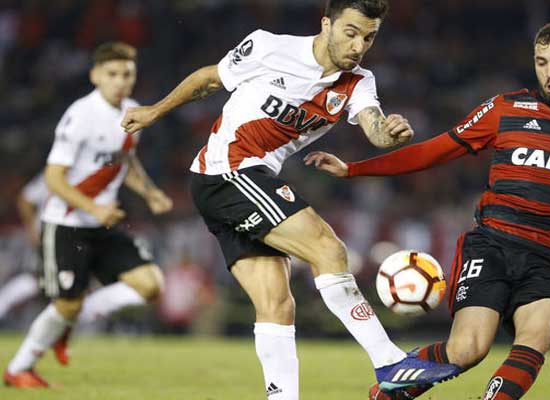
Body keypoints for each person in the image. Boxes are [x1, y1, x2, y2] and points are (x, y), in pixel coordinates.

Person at [121, 1, 461, 398]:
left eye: (368, 38)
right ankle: (388, 361)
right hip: (227, 170)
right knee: (327, 249)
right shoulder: (268, 47)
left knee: (277, 304)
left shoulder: (357, 82)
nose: (358, 46)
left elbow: (375, 128)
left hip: (240, 181)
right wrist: (153, 112)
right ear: (326, 24)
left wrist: (392, 133)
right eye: (350, 32)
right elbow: (209, 80)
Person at [305, 20, 550, 400]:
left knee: (537, 337)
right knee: (468, 350)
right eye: (541, 62)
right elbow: (435, 150)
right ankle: (389, 392)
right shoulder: (506, 109)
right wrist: (355, 169)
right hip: (493, 246)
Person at [4, 41, 173, 388]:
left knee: (151, 283)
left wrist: (150, 191)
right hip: (66, 224)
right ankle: (19, 368)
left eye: (127, 74)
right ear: (95, 75)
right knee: (66, 304)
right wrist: (94, 206)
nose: (121, 81)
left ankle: (72, 322)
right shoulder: (80, 115)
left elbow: (125, 160)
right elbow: (53, 178)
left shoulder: (133, 110)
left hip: (102, 222)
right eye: (112, 74)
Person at [0, 173, 48, 320]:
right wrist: (32, 229)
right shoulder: (55, 172)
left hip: (73, 238)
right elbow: (25, 199)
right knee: (34, 279)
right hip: (47, 238)